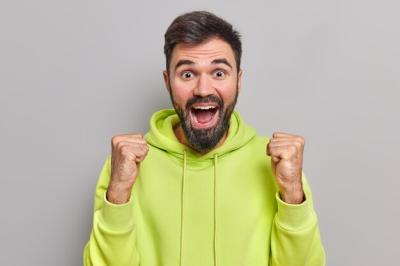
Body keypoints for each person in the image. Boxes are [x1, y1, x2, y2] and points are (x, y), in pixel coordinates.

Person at [83, 10, 326, 266]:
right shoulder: (125, 166)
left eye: (219, 73)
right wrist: (119, 193)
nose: (203, 90)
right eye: (187, 74)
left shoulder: (276, 165)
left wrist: (292, 196)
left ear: (239, 80)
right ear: (168, 82)